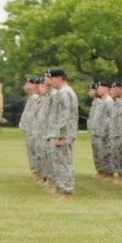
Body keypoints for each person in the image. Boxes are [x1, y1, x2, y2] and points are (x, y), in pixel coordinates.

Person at [42, 68, 78, 198]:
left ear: (59, 78)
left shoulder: (65, 92)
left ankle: (66, 191)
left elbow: (65, 115)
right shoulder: (61, 92)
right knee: (58, 162)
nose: (50, 82)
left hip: (63, 134)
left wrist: (61, 135)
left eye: (52, 79)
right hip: (59, 133)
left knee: (63, 162)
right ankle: (60, 189)